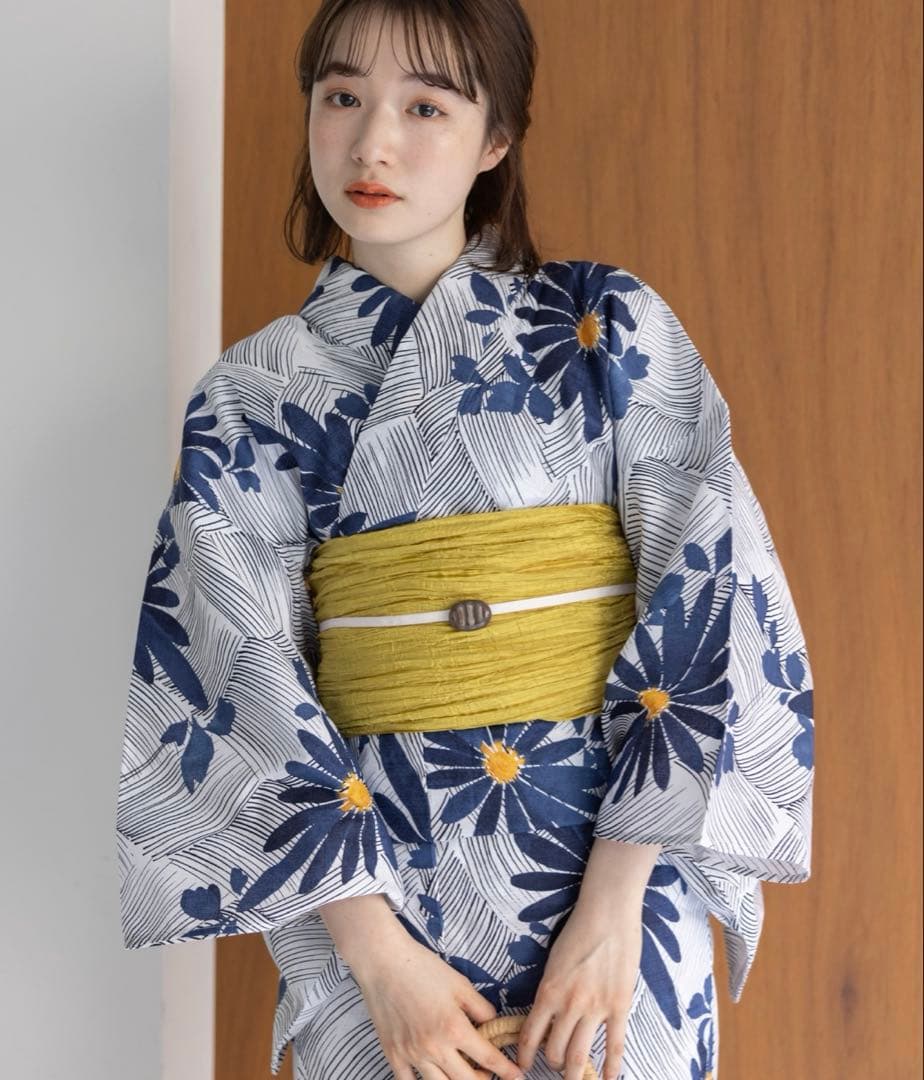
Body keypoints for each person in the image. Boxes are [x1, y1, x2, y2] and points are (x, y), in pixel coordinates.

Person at [115, 1, 815, 1078]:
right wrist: (380, 962)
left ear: (497, 139)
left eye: (426, 106)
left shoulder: (606, 326)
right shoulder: (251, 396)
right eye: (342, 95)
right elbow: (234, 671)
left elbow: (710, 593)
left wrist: (614, 909)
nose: (371, 142)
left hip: (613, 892)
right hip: (375, 913)